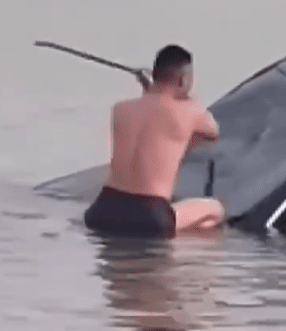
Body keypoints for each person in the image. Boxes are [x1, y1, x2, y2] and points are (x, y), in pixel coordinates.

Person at [84, 44, 226, 238]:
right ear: (183, 79)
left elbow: (149, 116)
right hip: (150, 216)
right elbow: (212, 131)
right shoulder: (189, 113)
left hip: (103, 211)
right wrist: (187, 98)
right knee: (215, 210)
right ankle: (184, 256)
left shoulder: (120, 110)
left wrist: (149, 89)